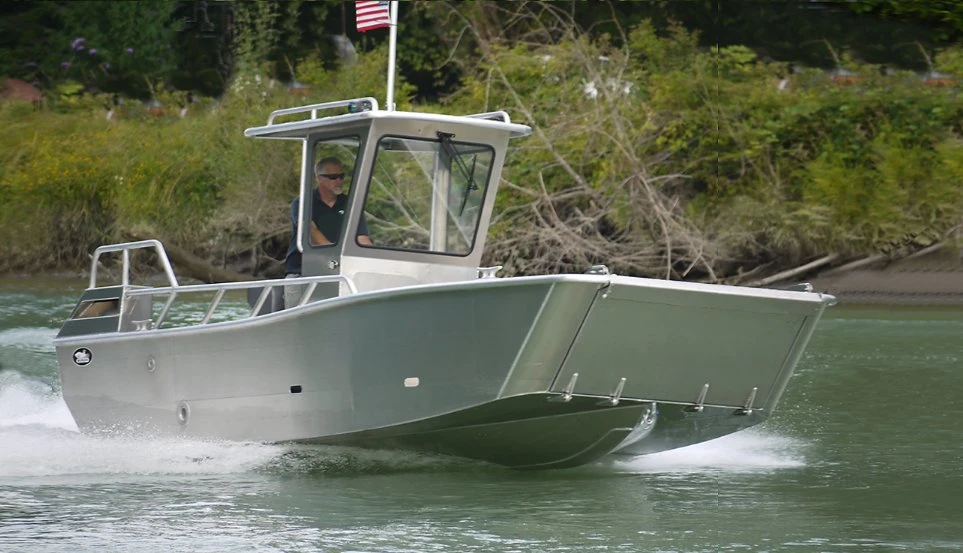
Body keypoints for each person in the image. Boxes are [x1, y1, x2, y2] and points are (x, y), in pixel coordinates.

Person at [284, 157, 371, 308]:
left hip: (342, 273)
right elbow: (311, 232)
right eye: (333, 177)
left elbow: (362, 238)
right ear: (319, 179)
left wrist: (373, 262)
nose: (339, 181)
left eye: (341, 176)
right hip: (302, 272)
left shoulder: (350, 204)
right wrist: (338, 257)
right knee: (297, 323)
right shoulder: (302, 203)